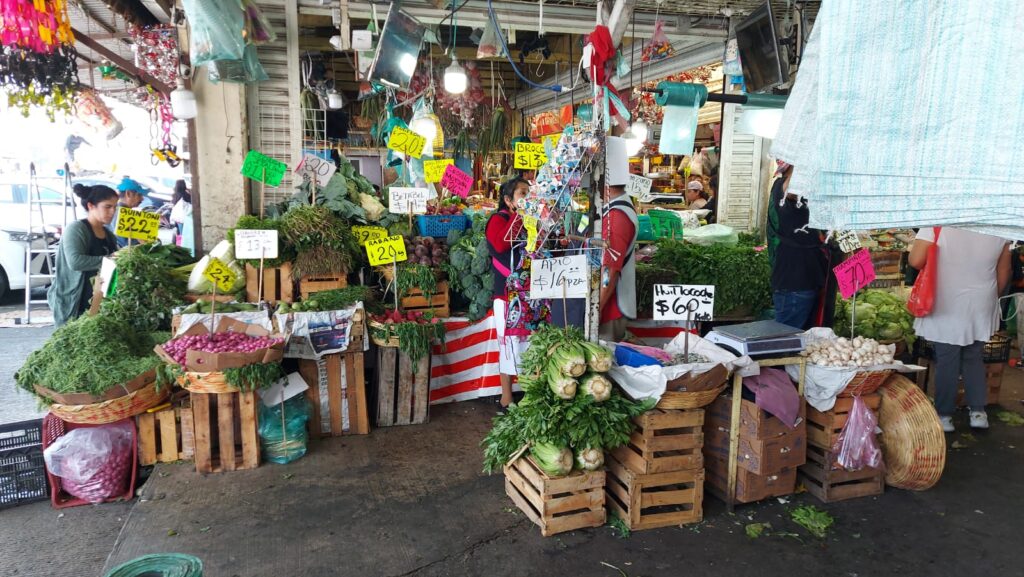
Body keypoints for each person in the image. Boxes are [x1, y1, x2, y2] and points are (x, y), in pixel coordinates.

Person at [909, 227, 1011, 432]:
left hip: (947, 299)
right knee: (974, 356)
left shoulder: (938, 222)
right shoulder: (999, 225)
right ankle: (978, 413)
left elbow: (915, 260)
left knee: (947, 358)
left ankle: (945, 415)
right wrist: (989, 296)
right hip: (981, 300)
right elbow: (1004, 271)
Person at [47, 184, 119, 326]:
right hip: (75, 301)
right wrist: (112, 259)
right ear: (91, 206)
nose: (112, 211)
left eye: (115, 207)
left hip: (99, 303)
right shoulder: (77, 229)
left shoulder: (110, 235)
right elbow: (75, 262)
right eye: (107, 207)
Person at [769, 164, 828, 330]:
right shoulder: (785, 188)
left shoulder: (784, 187)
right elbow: (793, 190)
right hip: (795, 282)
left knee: (800, 339)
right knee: (786, 340)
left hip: (805, 278)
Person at [486, 177, 528, 407]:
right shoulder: (497, 219)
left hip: (528, 293)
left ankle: (529, 394)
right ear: (508, 200)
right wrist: (517, 216)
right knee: (508, 345)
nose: (527, 198)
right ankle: (506, 397)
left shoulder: (530, 220)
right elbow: (500, 245)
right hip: (506, 294)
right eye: (522, 193)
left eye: (529, 193)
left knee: (527, 344)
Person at [599, 183, 638, 342]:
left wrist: (596, 308)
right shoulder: (615, 208)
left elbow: (609, 270)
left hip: (610, 308)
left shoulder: (616, 216)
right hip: (609, 303)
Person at [113, 177, 153, 248]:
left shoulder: (122, 212)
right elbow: (128, 244)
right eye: (139, 195)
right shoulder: (123, 214)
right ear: (128, 193)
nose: (142, 199)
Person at [169, 179, 193, 251]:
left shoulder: (175, 194)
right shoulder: (186, 194)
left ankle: (180, 246)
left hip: (178, 218)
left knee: (180, 233)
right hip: (186, 217)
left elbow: (173, 204)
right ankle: (183, 246)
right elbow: (191, 203)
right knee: (185, 233)